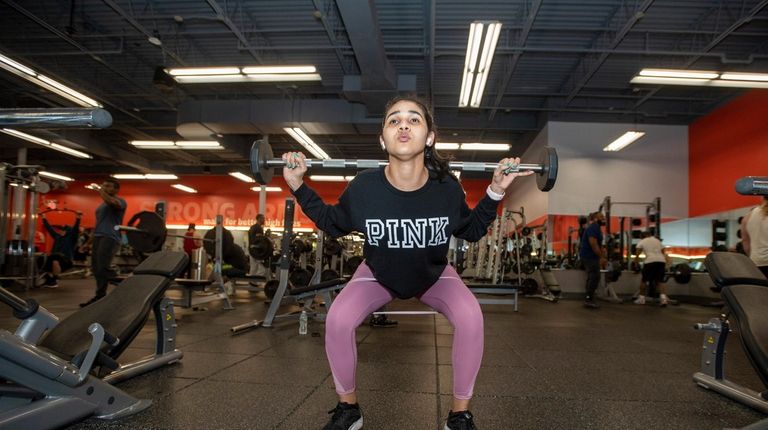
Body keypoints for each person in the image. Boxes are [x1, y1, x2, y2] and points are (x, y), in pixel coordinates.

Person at [282, 96, 531, 430]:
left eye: (414, 119)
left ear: (429, 137)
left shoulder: (445, 188)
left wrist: (497, 190)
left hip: (433, 274)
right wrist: (298, 185)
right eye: (393, 120)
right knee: (338, 319)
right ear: (383, 138)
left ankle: (459, 415)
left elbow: (471, 231)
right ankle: (349, 409)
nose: (403, 125)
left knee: (472, 317)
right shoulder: (365, 188)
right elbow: (332, 221)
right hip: (378, 273)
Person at [80, 178, 127, 308]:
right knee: (96, 268)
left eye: (108, 186)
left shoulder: (120, 202)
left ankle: (126, 286)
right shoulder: (101, 206)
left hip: (110, 237)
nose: (105, 188)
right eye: (104, 185)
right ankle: (100, 295)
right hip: (99, 237)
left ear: (116, 189)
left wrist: (100, 189)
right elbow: (97, 225)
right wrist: (88, 243)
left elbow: (112, 202)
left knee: (103, 267)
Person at [39, 210, 82, 288]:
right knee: (42, 260)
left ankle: (54, 280)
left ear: (67, 231)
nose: (61, 231)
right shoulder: (57, 237)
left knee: (55, 259)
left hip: (67, 260)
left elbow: (75, 229)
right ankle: (50, 281)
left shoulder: (71, 238)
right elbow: (49, 229)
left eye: (63, 230)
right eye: (61, 230)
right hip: (55, 258)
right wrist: (44, 218)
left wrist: (78, 218)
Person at [633, 230, 670, 306]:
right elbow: (663, 253)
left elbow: (637, 254)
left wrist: (636, 264)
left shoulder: (642, 242)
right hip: (661, 262)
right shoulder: (657, 241)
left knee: (644, 280)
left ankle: (641, 299)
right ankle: (663, 300)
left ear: (642, 237)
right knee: (660, 281)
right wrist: (667, 264)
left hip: (650, 261)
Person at [579, 211, 606, 309]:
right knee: (595, 277)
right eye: (601, 217)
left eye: (603, 216)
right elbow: (593, 244)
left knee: (593, 277)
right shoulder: (593, 227)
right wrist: (601, 257)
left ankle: (589, 298)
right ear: (595, 219)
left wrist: (602, 254)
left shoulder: (597, 228)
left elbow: (598, 244)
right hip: (589, 256)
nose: (603, 218)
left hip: (592, 256)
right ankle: (589, 299)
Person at [741, 196, 768, 277]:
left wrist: (753, 256)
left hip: (756, 264)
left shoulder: (749, 215)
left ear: (762, 197)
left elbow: (745, 242)